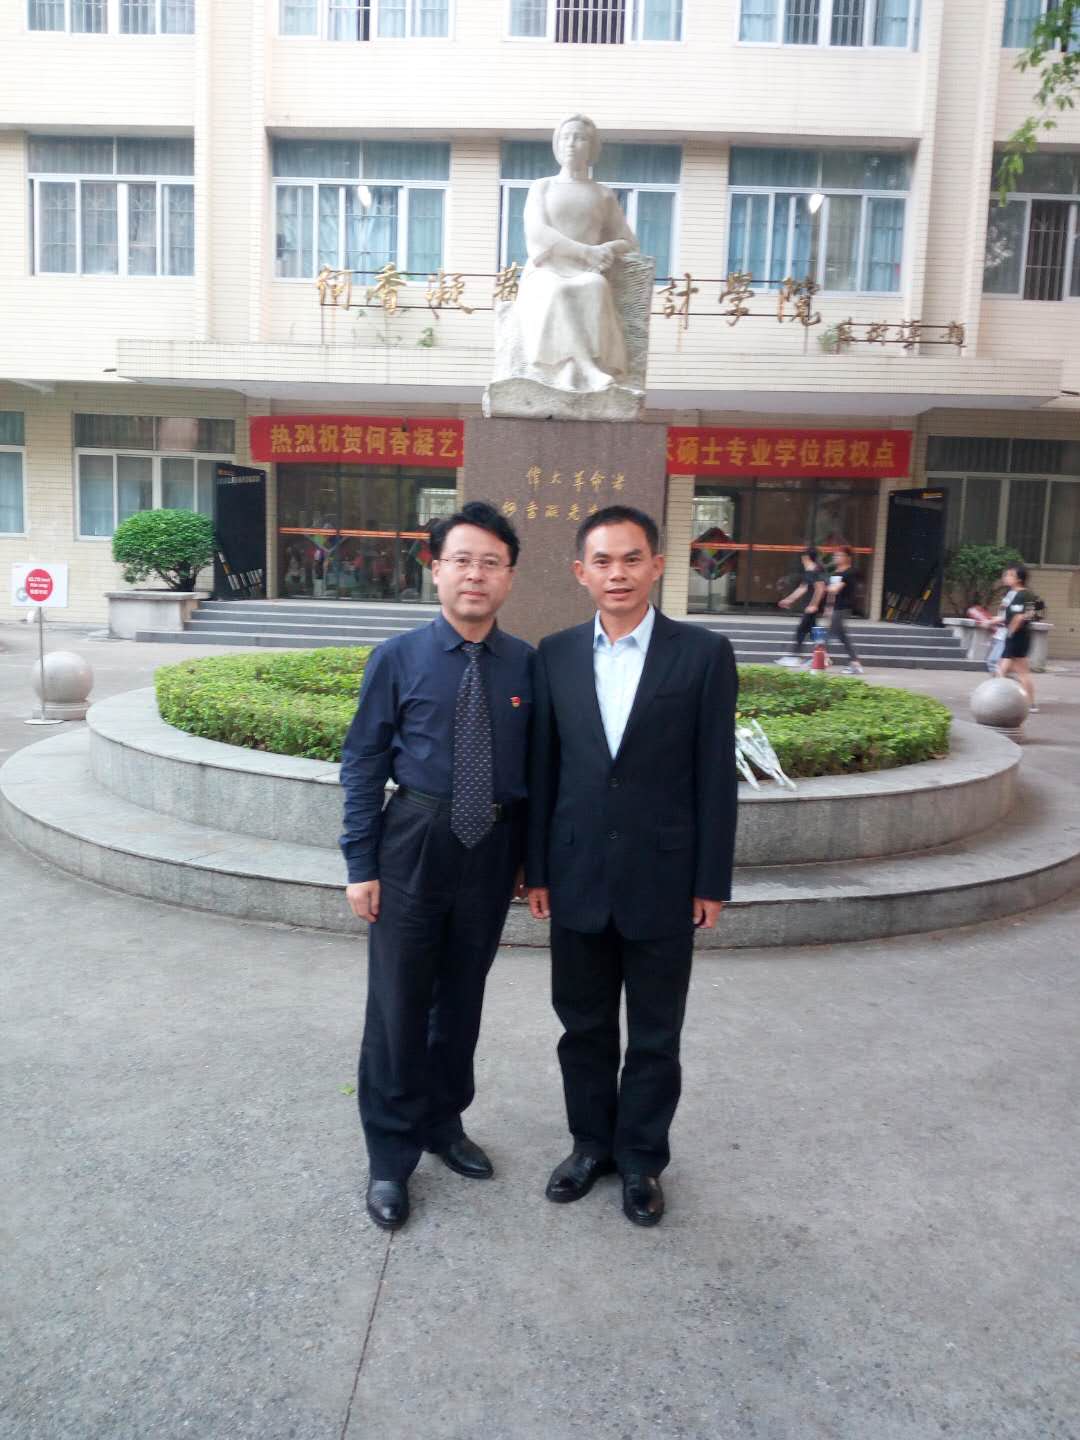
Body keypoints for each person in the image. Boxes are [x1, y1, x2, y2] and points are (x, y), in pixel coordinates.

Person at [526, 505, 739, 1228]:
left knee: (655, 1034)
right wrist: (537, 870)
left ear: (656, 566)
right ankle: (590, 1146)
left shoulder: (702, 654)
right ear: (580, 572)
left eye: (631, 558)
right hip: (577, 873)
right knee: (582, 1027)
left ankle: (642, 1160)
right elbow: (544, 772)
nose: (617, 573)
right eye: (602, 561)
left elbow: (715, 775)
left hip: (664, 879)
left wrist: (710, 880)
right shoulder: (554, 654)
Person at [340, 501, 533, 1232]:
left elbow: (539, 772)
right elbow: (363, 763)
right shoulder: (397, 658)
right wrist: (361, 863)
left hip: (492, 849)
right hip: (413, 841)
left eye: (490, 563)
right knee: (397, 1003)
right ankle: (390, 1157)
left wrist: (531, 860)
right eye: (461, 560)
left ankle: (444, 1123)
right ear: (436, 569)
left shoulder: (527, 665)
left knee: (461, 999)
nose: (475, 575)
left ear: (509, 576)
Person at [513, 114, 639, 392]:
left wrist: (607, 249)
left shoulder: (603, 194)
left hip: (584, 272)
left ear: (592, 147)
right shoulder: (542, 187)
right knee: (556, 291)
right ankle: (586, 368)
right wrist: (586, 252)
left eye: (580, 138)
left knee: (595, 286)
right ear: (557, 144)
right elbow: (537, 232)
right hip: (547, 270)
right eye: (566, 137)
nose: (571, 143)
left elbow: (628, 241)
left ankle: (574, 367)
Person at [996, 563, 1039, 712]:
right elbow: (1008, 615)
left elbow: (1019, 617)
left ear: (1019, 579)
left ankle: (1027, 703)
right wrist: (993, 621)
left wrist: (1010, 634)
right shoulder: (1014, 593)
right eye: (1006, 574)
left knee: (1018, 671)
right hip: (1016, 635)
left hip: (1017, 635)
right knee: (1003, 669)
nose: (1006, 577)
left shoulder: (1022, 595)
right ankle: (1020, 701)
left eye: (1010, 575)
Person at [775, 546, 828, 666]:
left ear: (806, 557)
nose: (801, 560)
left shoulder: (815, 570)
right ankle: (823, 656)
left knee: (801, 630)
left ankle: (795, 656)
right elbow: (802, 588)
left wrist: (814, 605)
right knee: (812, 631)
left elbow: (820, 588)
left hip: (812, 606)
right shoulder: (809, 570)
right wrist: (788, 600)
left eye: (802, 557)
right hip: (811, 606)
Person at [823, 545, 864, 675]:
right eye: (835, 555)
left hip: (844, 607)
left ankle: (822, 657)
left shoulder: (849, 572)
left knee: (830, 633)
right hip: (836, 607)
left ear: (847, 557)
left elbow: (835, 589)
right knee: (841, 636)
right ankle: (854, 663)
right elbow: (832, 593)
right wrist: (829, 606)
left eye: (839, 555)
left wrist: (823, 586)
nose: (836, 557)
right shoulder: (836, 572)